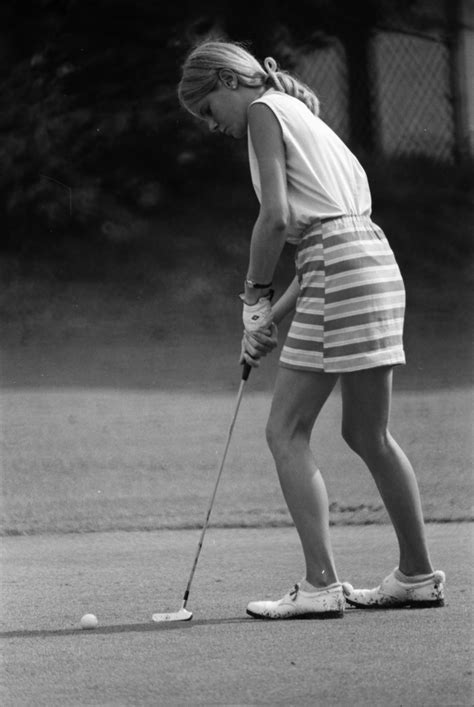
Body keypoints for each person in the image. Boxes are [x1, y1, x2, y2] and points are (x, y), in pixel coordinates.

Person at [178, 40, 445, 619]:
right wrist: (269, 319)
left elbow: (275, 219)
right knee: (369, 434)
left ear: (227, 80)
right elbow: (327, 242)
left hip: (339, 266)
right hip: (371, 260)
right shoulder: (300, 113)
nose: (210, 126)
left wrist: (254, 296)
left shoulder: (261, 113)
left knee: (286, 431)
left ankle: (320, 584)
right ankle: (418, 575)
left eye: (206, 110)